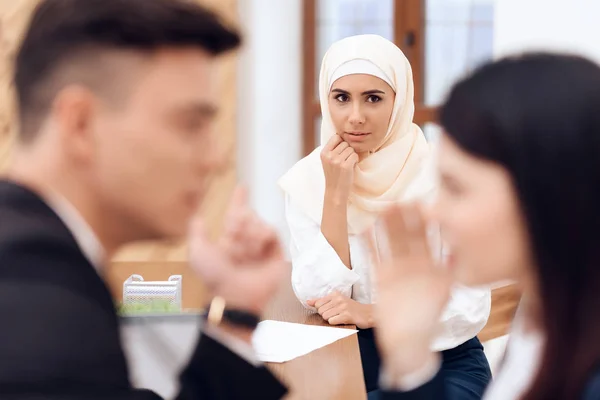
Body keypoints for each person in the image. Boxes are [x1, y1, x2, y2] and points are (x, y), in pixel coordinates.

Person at [0, 0, 288, 398]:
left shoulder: (40, 265)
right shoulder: (37, 298)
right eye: (190, 124)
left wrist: (236, 308)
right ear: (81, 124)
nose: (216, 160)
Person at [374, 53, 600, 399]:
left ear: (546, 190)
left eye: (456, 188)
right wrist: (410, 355)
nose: (434, 212)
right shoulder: (542, 318)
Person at [278, 34, 492, 397]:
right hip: (347, 356)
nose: (355, 117)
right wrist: (335, 195)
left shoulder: (444, 177)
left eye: (373, 98)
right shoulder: (310, 179)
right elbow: (318, 297)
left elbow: (470, 306)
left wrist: (373, 312)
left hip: (442, 360)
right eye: (341, 98)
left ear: (399, 101)